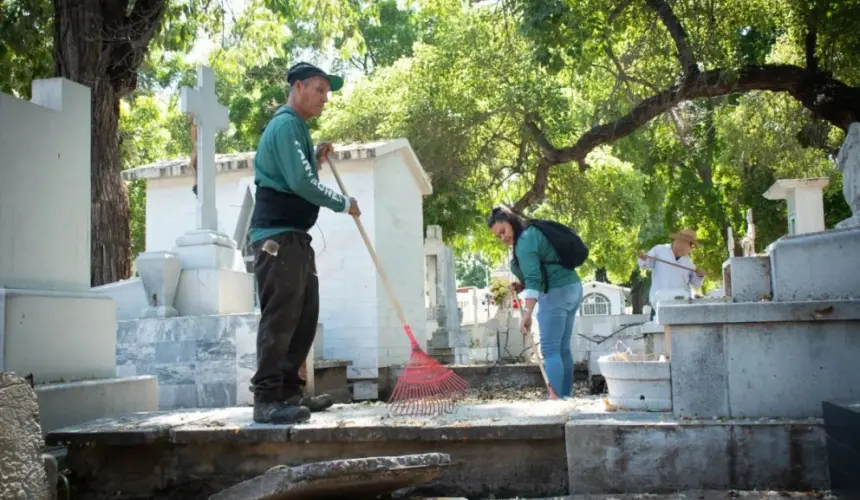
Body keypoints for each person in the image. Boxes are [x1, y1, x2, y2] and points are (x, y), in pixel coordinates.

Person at [247, 62, 361, 424]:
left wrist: (315, 158)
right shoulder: (285, 125)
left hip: (295, 236)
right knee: (281, 318)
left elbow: (298, 172)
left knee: (304, 316)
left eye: (327, 92)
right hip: (276, 238)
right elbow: (298, 182)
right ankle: (266, 399)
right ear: (298, 87)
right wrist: (343, 203)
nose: (325, 99)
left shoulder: (297, 130)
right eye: (319, 90)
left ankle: (290, 393)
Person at [487, 206, 583, 398]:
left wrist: (528, 313)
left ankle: (555, 399)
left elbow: (534, 278)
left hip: (556, 293)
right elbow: (541, 268)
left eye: (503, 231)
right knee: (562, 348)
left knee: (550, 350)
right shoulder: (533, 232)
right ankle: (565, 398)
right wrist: (522, 286)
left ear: (510, 220)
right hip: (573, 288)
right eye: (498, 236)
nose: (503, 238)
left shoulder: (524, 242)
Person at [638, 229, 705, 320]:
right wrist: (643, 258)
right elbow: (645, 264)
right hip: (658, 304)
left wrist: (700, 275)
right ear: (682, 242)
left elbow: (696, 284)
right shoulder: (659, 250)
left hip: (680, 306)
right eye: (691, 245)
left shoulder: (689, 263)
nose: (691, 249)